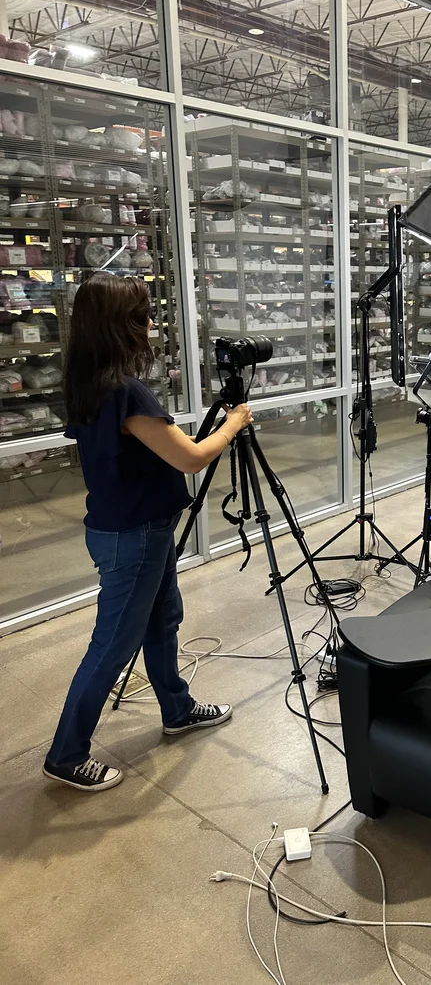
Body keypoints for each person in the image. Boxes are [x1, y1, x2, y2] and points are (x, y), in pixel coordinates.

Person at [43, 275, 253, 793]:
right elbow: (192, 458)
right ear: (123, 325)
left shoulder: (87, 383)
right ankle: (66, 755)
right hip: (133, 537)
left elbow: (155, 451)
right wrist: (233, 423)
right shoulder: (126, 392)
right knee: (112, 647)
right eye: (143, 316)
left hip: (129, 529)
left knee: (162, 623)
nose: (151, 324)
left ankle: (177, 709)